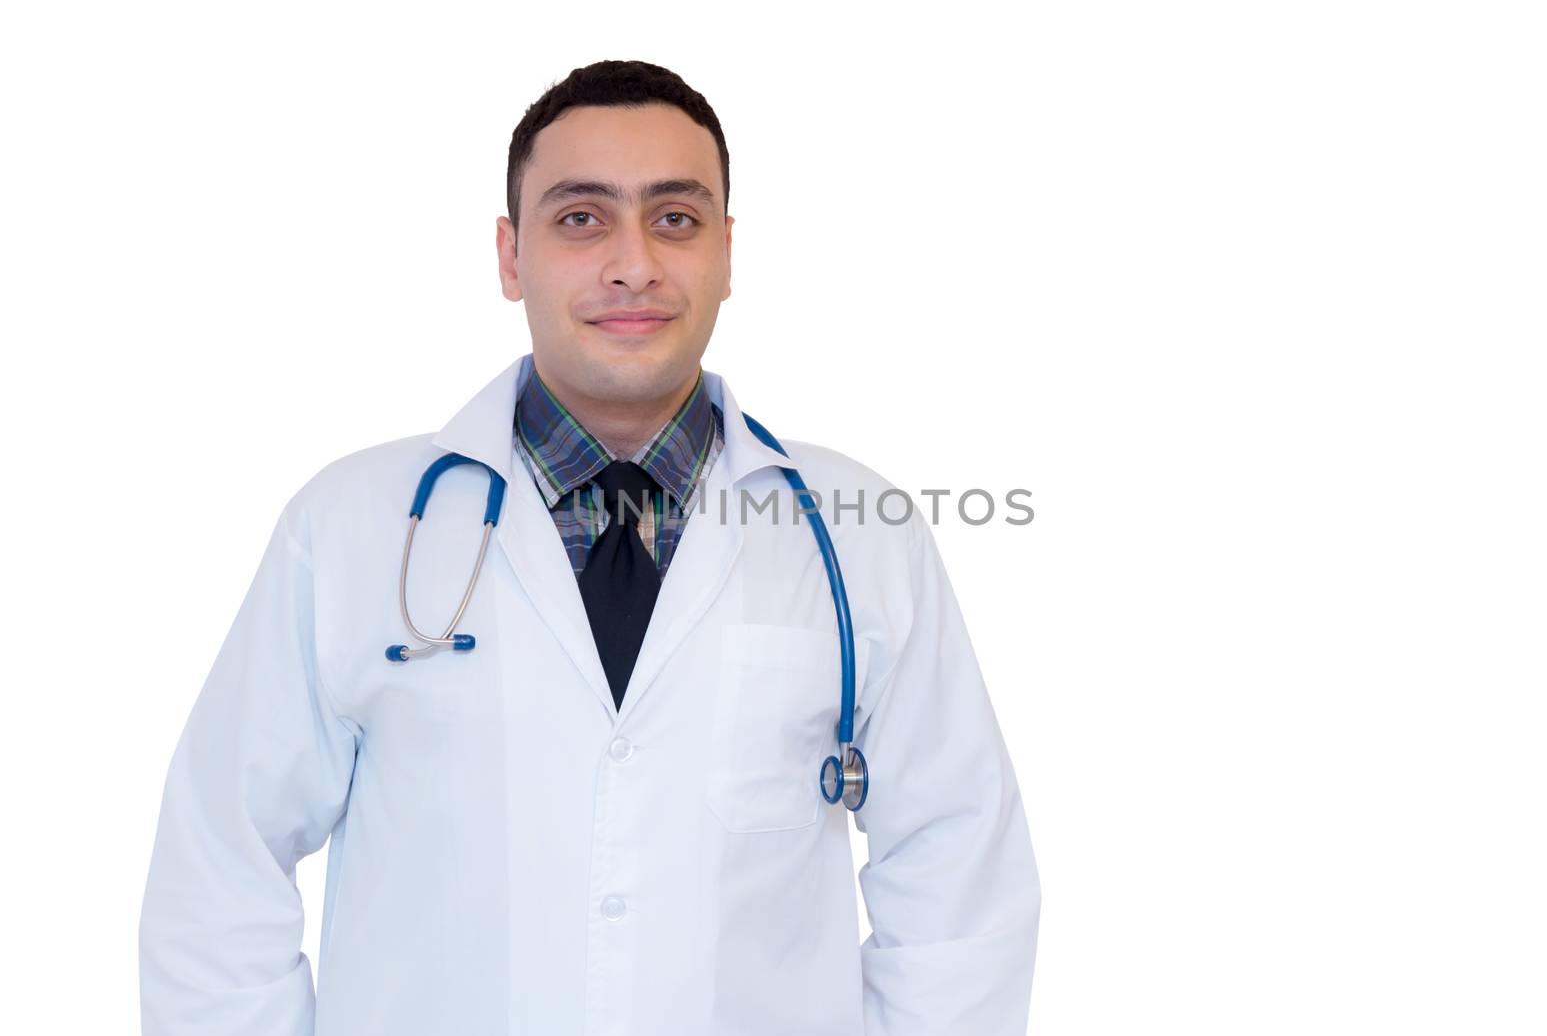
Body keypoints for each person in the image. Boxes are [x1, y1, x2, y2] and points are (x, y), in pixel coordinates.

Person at [138, 59, 1041, 1035]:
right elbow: (220, 867)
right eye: (580, 217)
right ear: (509, 255)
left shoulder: (859, 529)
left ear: (728, 254)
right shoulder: (350, 524)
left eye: (675, 218)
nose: (633, 263)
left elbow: (957, 877)